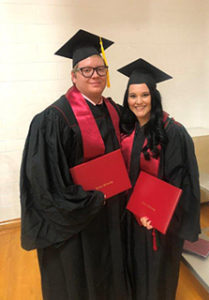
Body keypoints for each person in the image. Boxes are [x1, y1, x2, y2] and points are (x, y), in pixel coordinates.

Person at [20, 29, 130, 300]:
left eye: (100, 69)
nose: (95, 75)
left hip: (111, 214)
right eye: (86, 70)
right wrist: (90, 201)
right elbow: (44, 184)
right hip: (79, 222)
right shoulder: (52, 120)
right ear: (73, 75)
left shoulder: (113, 110)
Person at [118, 58, 201, 300]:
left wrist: (154, 214)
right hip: (131, 220)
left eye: (144, 95)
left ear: (154, 96)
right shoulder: (127, 132)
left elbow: (180, 181)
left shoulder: (173, 132)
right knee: (134, 272)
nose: (138, 101)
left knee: (157, 278)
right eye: (133, 96)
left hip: (159, 225)